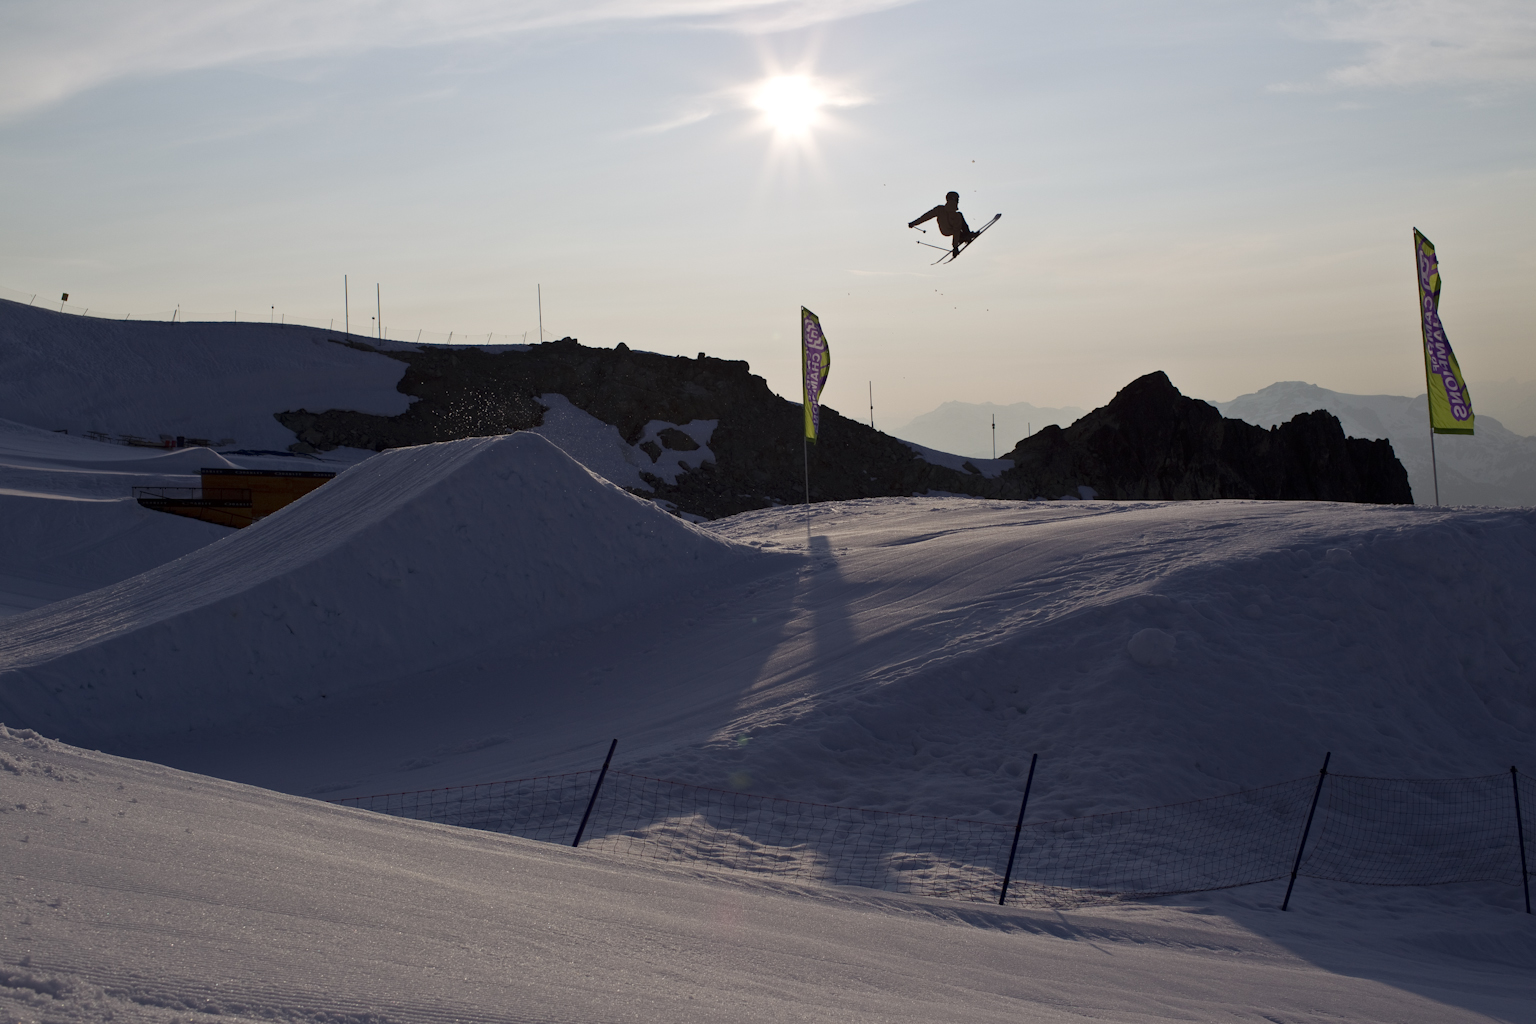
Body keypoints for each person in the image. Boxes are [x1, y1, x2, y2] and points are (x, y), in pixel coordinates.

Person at [908, 191, 973, 255]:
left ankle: (962, 237)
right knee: (959, 219)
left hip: (944, 231)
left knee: (957, 228)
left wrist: (914, 223)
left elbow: (926, 217)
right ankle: (966, 235)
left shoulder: (939, 209)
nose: (958, 201)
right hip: (952, 231)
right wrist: (955, 247)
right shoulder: (957, 216)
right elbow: (956, 231)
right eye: (957, 199)